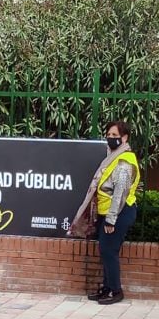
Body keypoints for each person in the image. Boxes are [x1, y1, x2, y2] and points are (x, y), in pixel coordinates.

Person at [68, 121, 140, 305]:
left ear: (125, 138)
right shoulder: (113, 157)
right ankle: (107, 288)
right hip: (107, 212)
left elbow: (120, 193)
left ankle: (116, 290)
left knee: (109, 251)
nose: (111, 138)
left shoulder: (125, 161)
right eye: (109, 134)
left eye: (115, 135)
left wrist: (111, 220)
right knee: (105, 250)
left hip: (118, 213)